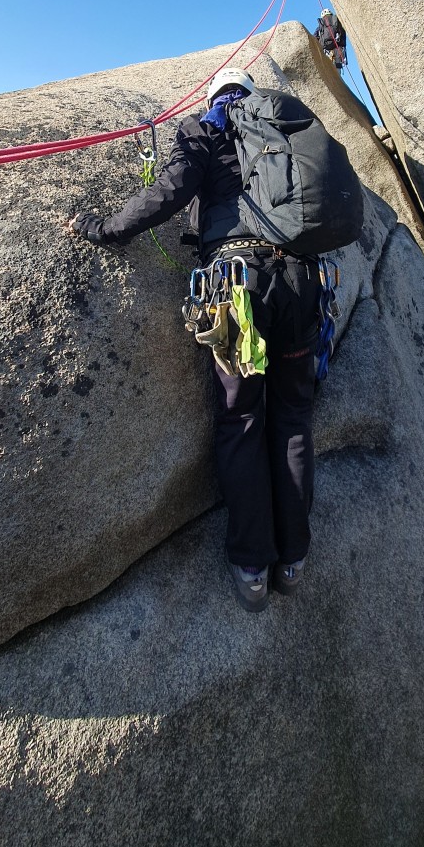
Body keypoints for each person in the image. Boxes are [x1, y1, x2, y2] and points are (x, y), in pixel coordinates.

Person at [68, 68, 324, 613]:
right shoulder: (286, 132)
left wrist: (102, 228)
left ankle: (253, 568)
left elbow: (170, 191)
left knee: (243, 421)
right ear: (256, 100)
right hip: (301, 286)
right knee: (294, 418)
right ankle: (294, 559)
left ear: (215, 98)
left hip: (236, 289)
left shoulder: (206, 129)